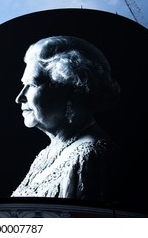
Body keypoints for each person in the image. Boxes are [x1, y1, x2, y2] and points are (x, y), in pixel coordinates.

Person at [11, 35, 121, 201]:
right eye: (22, 85)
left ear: (70, 89)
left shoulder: (90, 155)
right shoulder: (45, 155)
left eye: (32, 85)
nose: (19, 97)